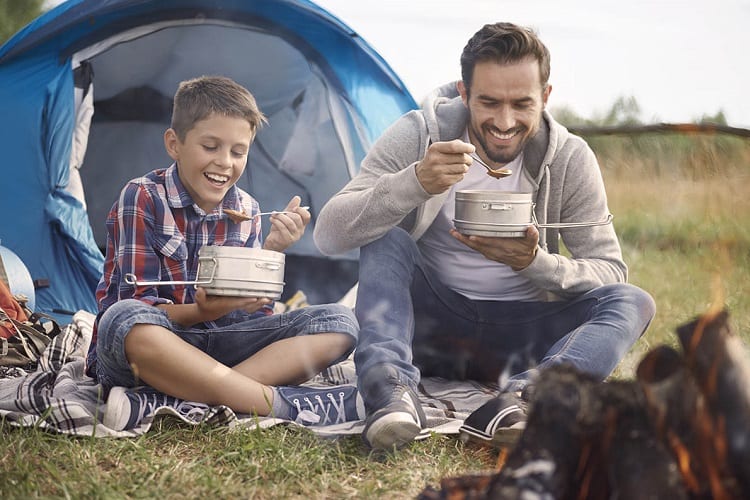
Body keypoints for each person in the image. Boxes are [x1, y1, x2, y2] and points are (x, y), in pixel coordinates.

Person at [313, 22, 656, 450]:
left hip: (523, 336)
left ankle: (524, 399)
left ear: (545, 97)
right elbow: (328, 234)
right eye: (489, 102)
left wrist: (534, 264)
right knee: (387, 239)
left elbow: (610, 271)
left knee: (634, 300)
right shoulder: (419, 135)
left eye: (521, 104)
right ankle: (391, 393)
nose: (505, 121)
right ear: (463, 92)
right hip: (429, 329)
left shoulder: (569, 157)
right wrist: (415, 182)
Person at [85, 76, 362, 431]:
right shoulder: (142, 198)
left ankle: (171, 404)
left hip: (218, 346)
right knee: (124, 320)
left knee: (339, 323)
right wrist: (202, 310)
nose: (225, 163)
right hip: (151, 350)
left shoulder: (246, 210)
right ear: (175, 144)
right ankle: (280, 405)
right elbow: (134, 304)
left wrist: (272, 250)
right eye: (210, 146)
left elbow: (252, 318)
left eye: (238, 151)